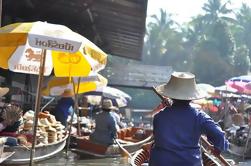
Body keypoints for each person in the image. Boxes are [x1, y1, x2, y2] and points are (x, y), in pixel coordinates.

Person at [149, 72, 229, 166]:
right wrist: (218, 148)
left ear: (171, 95)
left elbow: (158, 138)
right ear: (191, 97)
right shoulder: (199, 117)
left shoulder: (159, 117)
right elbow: (219, 135)